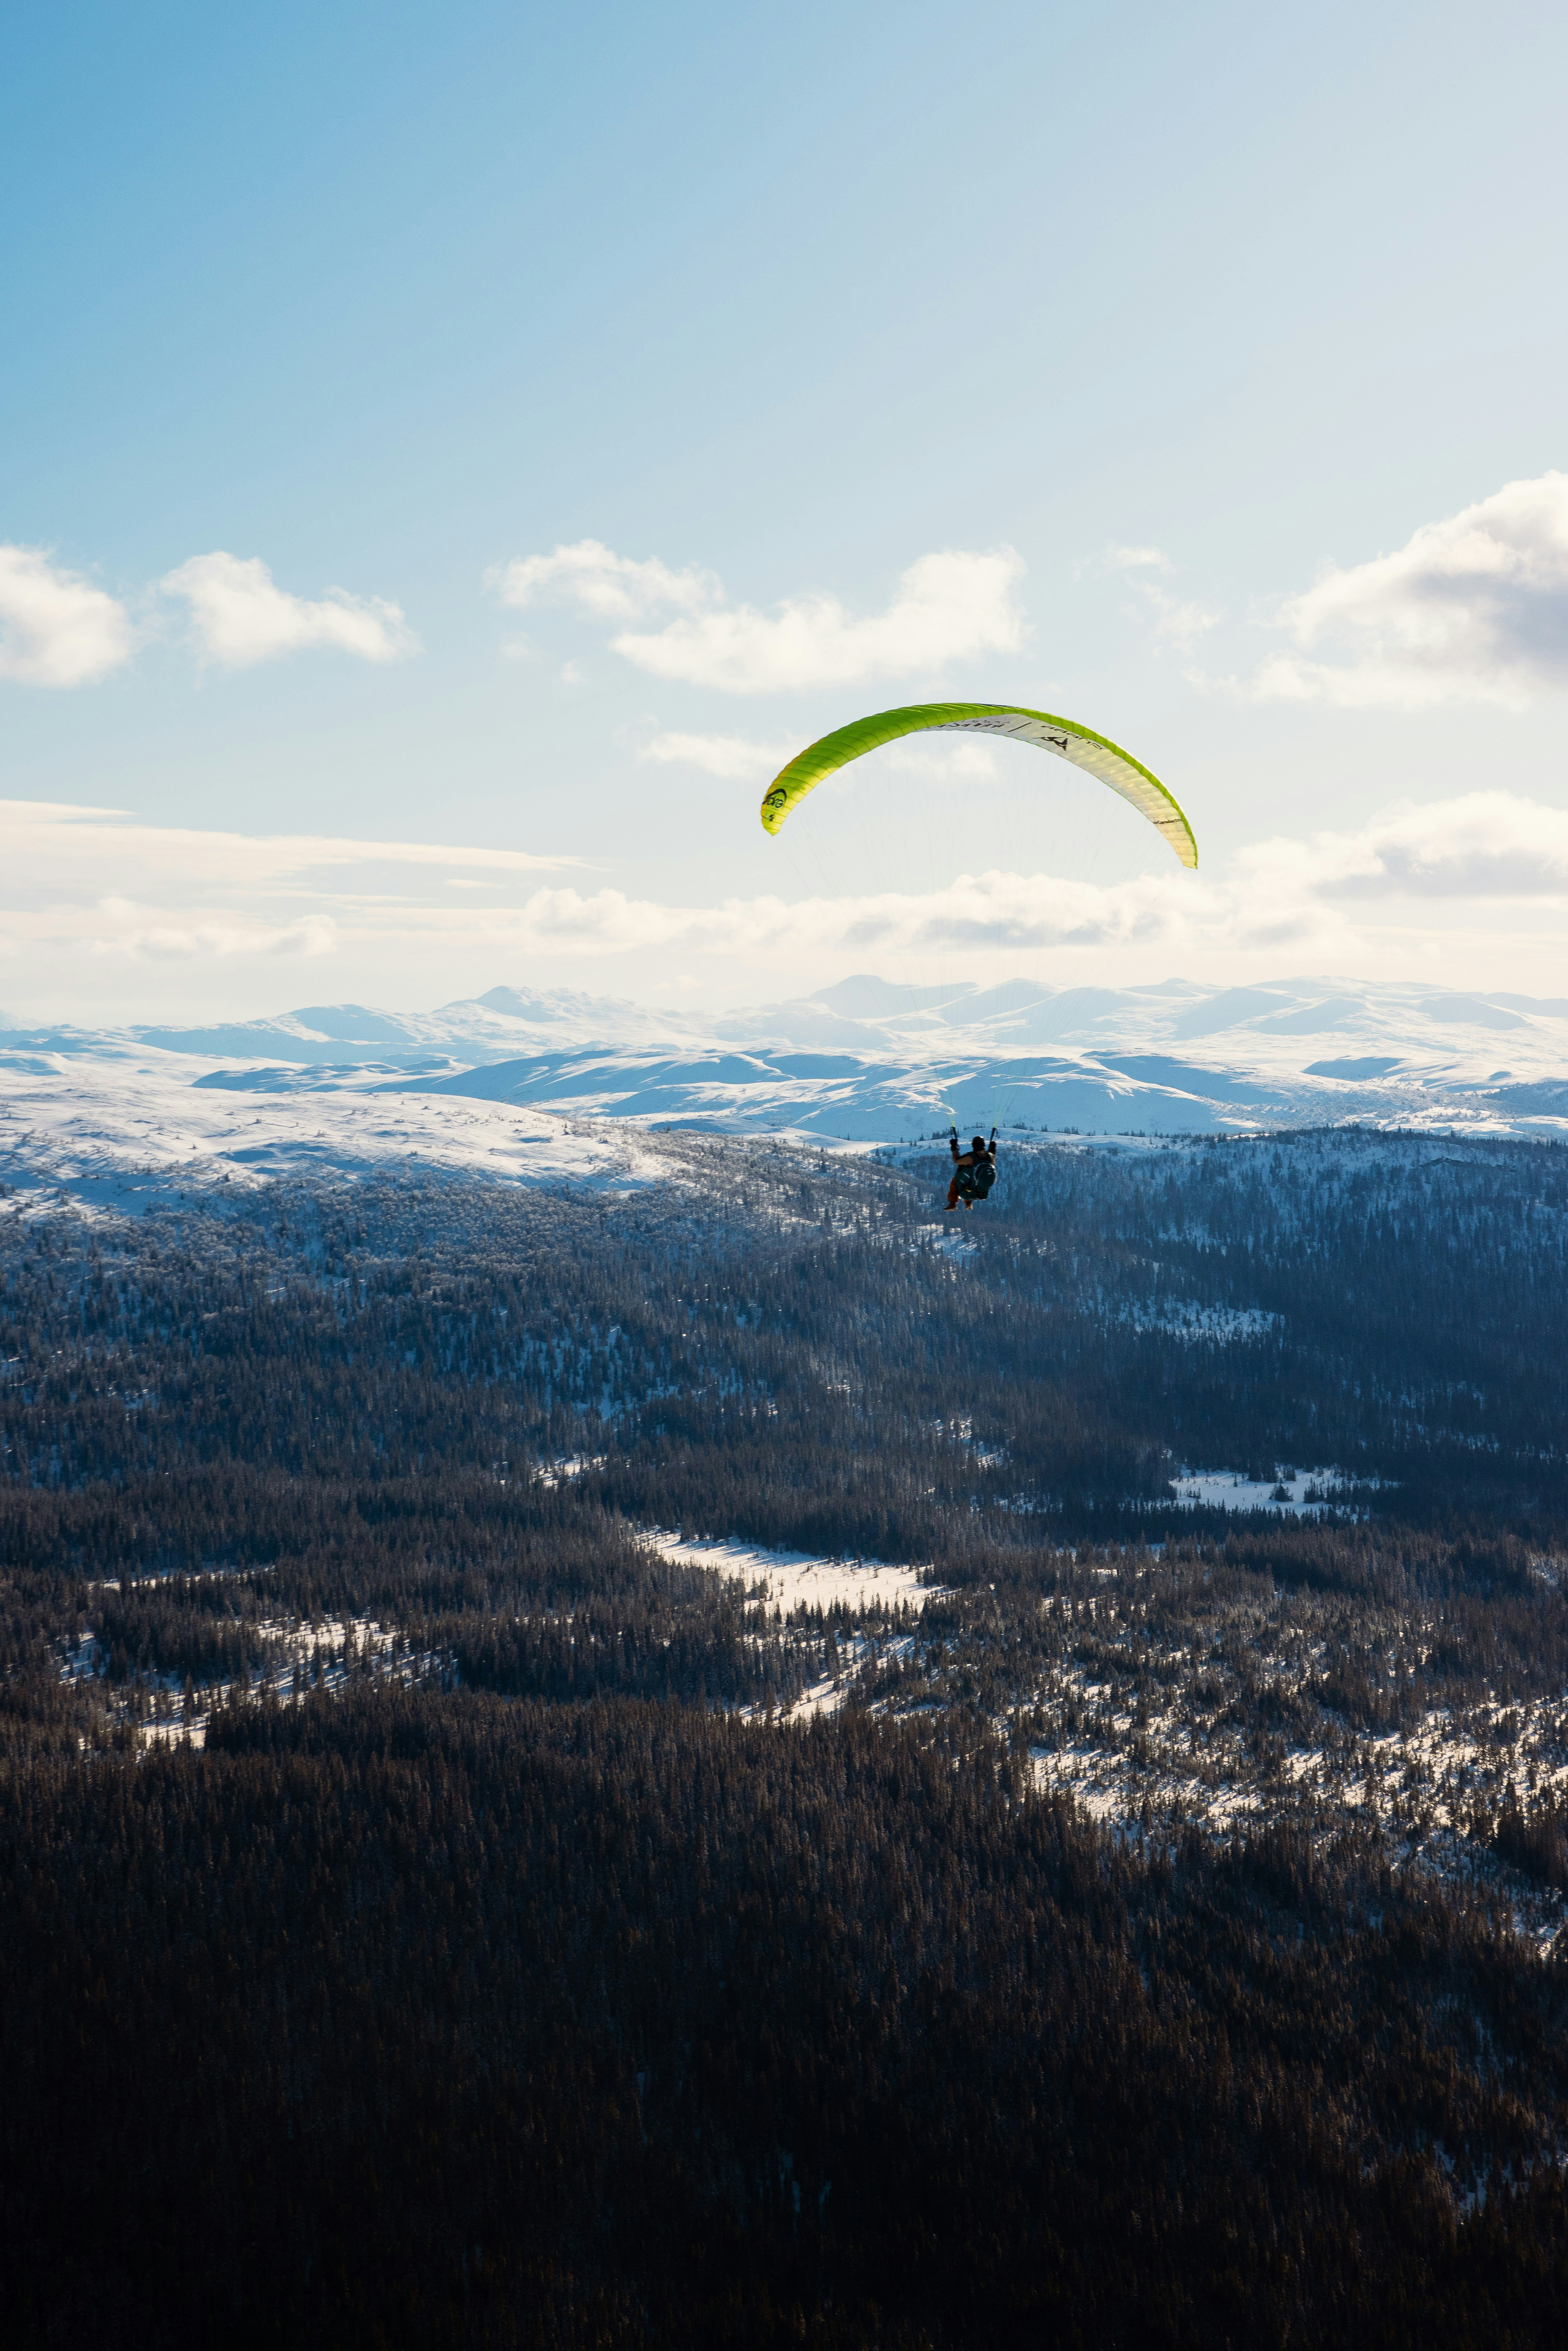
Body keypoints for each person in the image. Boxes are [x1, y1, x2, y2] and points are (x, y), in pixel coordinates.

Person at [945, 1126, 997, 1211]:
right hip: (983, 1193)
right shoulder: (990, 1157)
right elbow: (993, 1159)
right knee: (970, 1178)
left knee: (956, 1180)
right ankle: (969, 1204)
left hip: (970, 1192)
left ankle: (953, 1204)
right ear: (984, 1145)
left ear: (974, 1146)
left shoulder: (971, 1158)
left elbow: (957, 1161)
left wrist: (954, 1147)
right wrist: (993, 1149)